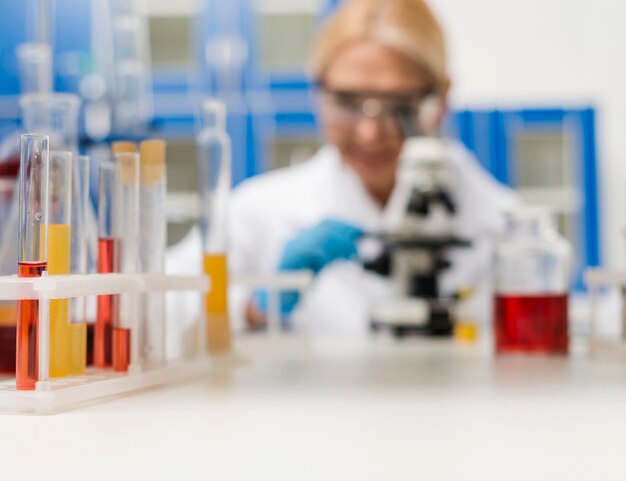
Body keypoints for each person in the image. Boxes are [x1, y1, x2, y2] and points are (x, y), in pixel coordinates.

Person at [168, 0, 518, 336]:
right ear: (317, 91)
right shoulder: (258, 213)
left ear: (441, 99)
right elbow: (159, 306)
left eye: (398, 106)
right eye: (347, 103)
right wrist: (254, 307)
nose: (370, 133)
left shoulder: (504, 225)